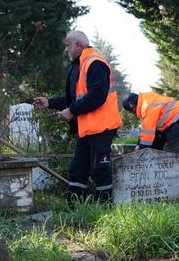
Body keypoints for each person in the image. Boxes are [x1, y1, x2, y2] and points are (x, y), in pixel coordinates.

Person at [33, 30, 122, 203]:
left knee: (99, 170)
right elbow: (74, 98)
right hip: (89, 128)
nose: (66, 49)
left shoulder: (95, 63)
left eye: (67, 45)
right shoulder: (79, 65)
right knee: (78, 168)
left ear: (78, 45)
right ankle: (73, 209)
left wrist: (71, 111)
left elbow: (97, 96)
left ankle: (105, 211)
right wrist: (49, 102)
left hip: (102, 127)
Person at [121, 92, 179, 193]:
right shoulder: (148, 100)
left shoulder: (147, 106)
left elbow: (147, 136)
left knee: (166, 157)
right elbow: (145, 130)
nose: (133, 113)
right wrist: (139, 144)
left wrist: (140, 151)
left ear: (132, 106)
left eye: (131, 111)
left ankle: (166, 187)